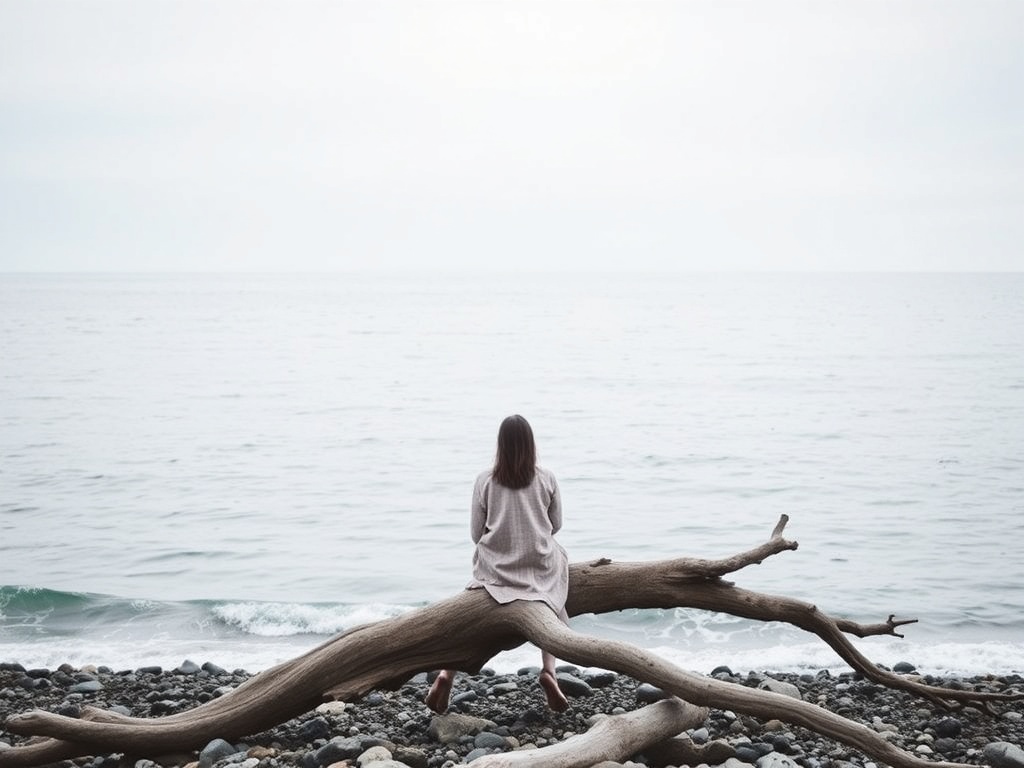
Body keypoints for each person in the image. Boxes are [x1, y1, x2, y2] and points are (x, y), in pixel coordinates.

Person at [425, 414, 570, 714]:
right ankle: (549, 671)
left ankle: (445, 674)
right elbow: (556, 525)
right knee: (553, 605)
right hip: (538, 566)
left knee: (465, 621)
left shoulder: (485, 480)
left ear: (500, 445)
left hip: (496, 571)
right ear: (531, 445)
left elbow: (476, 534)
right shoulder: (547, 478)